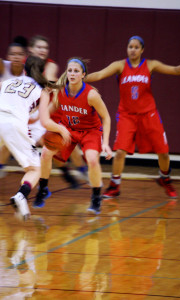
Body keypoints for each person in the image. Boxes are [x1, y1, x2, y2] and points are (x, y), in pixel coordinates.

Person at [85, 35, 180, 199]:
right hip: (126, 115)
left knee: (164, 153)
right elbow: (100, 74)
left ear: (142, 50)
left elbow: (175, 70)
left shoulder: (151, 64)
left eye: (136, 47)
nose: (132, 49)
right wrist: (82, 77)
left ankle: (165, 178)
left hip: (149, 114)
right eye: (130, 46)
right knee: (119, 152)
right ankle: (114, 186)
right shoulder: (119, 65)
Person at [33, 57, 112, 214]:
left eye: (76, 71)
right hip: (69, 129)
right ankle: (43, 188)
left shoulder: (91, 95)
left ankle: (96, 196)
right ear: (66, 73)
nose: (72, 73)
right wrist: (33, 119)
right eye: (70, 70)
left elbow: (107, 117)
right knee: (46, 153)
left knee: (92, 160)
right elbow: (47, 113)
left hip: (90, 131)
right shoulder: (60, 91)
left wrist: (106, 143)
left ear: (83, 74)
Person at [0, 56, 70, 220]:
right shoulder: (42, 91)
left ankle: (21, 205)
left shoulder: (9, 81)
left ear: (24, 69)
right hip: (13, 124)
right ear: (43, 72)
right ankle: (21, 196)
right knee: (35, 169)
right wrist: (61, 128)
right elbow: (45, 122)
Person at [28, 35, 87, 187]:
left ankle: (81, 169)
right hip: (34, 110)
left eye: (45, 48)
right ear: (30, 49)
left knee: (63, 139)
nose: (42, 50)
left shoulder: (50, 65)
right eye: (39, 47)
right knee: (49, 144)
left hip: (53, 107)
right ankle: (66, 172)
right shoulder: (25, 64)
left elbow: (49, 78)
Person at [0, 42, 27, 178]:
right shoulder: (3, 66)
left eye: (19, 54)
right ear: (7, 56)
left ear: (25, 56)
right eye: (12, 54)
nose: (16, 57)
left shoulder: (28, 73)